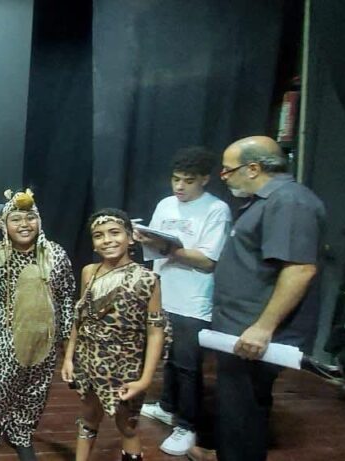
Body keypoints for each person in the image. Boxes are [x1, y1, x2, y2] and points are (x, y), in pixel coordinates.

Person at [207, 136, 325, 461]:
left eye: (228, 170)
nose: (223, 177)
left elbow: (299, 269)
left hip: (254, 333)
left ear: (253, 168)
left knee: (242, 413)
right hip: (240, 329)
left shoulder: (289, 202)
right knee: (240, 409)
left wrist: (263, 328)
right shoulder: (266, 201)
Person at [134, 147, 231, 456]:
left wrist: (168, 249)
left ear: (205, 179)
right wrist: (144, 239)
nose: (179, 186)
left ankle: (188, 426)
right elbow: (153, 247)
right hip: (163, 292)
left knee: (188, 364)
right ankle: (167, 406)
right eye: (176, 179)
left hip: (193, 298)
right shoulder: (165, 204)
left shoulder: (216, 209)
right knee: (169, 357)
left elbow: (208, 260)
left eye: (188, 181)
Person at [0, 189, 76, 461]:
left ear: (39, 221)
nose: (24, 224)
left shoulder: (55, 254)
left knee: (35, 389)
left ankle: (21, 433)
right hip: (5, 335)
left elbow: (67, 295)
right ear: (4, 224)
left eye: (30, 218)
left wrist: (66, 338)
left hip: (44, 336)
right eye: (16, 219)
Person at [61, 209, 167, 461]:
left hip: (125, 365)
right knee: (88, 415)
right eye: (99, 235)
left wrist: (144, 380)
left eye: (114, 233)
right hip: (89, 361)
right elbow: (80, 316)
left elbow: (155, 333)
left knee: (126, 424)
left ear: (130, 238)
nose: (107, 240)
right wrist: (68, 357)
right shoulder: (89, 272)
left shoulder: (147, 279)